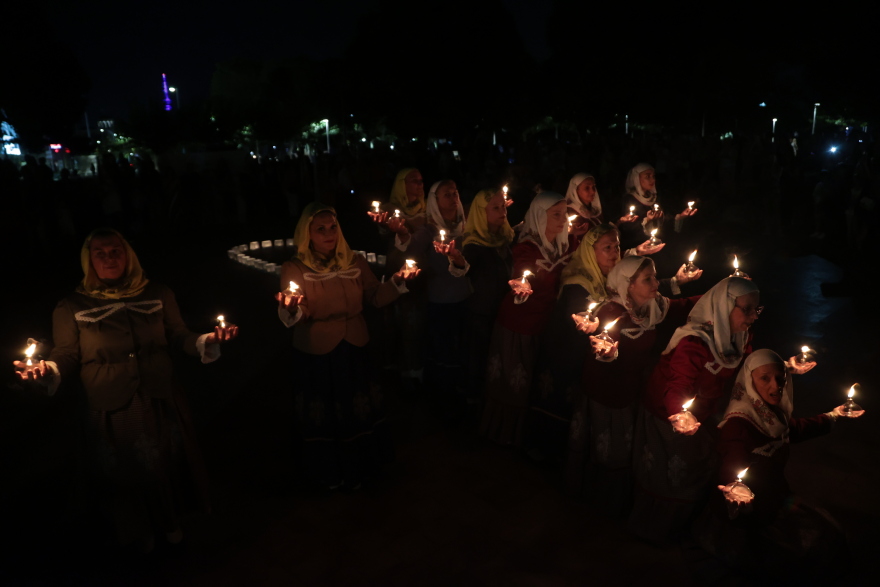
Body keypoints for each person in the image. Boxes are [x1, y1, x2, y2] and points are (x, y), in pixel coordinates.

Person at [14, 228, 239, 552]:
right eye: (100, 253)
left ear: (128, 254)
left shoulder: (158, 293)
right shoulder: (71, 306)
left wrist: (208, 340)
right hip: (112, 403)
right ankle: (139, 531)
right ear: (89, 260)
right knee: (126, 471)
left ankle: (171, 523)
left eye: (115, 251)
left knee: (165, 463)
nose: (109, 258)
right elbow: (67, 354)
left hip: (159, 395)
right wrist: (47, 369)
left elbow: (179, 335)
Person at [277, 203, 418, 491]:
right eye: (320, 229)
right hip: (318, 352)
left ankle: (362, 466)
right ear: (307, 233)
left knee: (357, 408)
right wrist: (292, 309)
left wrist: (397, 282)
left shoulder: (354, 261)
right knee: (325, 411)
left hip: (355, 346)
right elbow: (299, 313)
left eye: (333, 227)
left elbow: (375, 296)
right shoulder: (295, 268)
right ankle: (328, 471)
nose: (329, 233)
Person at [628, 276, 771, 543]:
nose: (754, 316)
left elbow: (744, 369)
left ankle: (677, 529)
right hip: (668, 416)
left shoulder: (740, 337)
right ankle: (650, 532)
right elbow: (677, 385)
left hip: (701, 416)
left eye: (757, 309)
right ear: (724, 306)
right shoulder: (695, 342)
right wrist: (680, 414)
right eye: (747, 309)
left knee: (692, 472)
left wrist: (776, 371)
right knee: (667, 475)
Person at [695, 349, 856, 577]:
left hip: (775, 494)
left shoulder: (771, 413)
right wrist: (735, 488)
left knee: (830, 535)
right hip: (749, 507)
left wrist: (834, 415)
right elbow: (731, 463)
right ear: (749, 381)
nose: (776, 386)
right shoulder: (738, 423)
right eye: (765, 378)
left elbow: (794, 430)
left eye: (780, 378)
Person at [564, 256, 700, 511]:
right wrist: (608, 355)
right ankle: (593, 501)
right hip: (605, 393)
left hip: (631, 390)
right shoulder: (610, 313)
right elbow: (602, 349)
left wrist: (718, 297)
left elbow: (683, 306)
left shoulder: (652, 306)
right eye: (647, 279)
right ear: (628, 285)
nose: (655, 283)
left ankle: (611, 500)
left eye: (654, 276)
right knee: (606, 449)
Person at [481, 191, 574, 446]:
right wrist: (521, 289)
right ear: (539, 216)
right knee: (513, 382)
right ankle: (503, 434)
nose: (563, 219)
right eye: (556, 214)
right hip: (518, 325)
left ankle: (525, 436)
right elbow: (521, 275)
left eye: (565, 214)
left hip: (543, 325)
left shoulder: (566, 245)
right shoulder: (526, 249)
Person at [405, 180, 471, 396]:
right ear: (435, 201)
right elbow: (411, 257)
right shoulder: (427, 232)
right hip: (440, 300)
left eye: (455, 193)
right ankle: (441, 394)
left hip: (464, 296)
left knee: (461, 347)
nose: (453, 198)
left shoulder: (466, 227)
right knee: (442, 348)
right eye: (447, 195)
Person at [461, 188, 516, 402]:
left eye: (503, 206)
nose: (502, 211)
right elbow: (464, 268)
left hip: (503, 311)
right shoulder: (473, 245)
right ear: (481, 212)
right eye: (495, 208)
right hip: (481, 314)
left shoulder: (504, 237)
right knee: (479, 359)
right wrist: (456, 260)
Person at [620, 163, 696, 245]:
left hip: (659, 241)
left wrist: (681, 216)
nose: (652, 180)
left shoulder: (654, 197)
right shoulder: (629, 199)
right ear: (636, 179)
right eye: (647, 176)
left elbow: (664, 219)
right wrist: (647, 220)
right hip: (640, 244)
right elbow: (628, 228)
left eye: (653, 176)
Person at [565, 172, 639, 240]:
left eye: (593, 187)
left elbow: (603, 233)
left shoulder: (594, 210)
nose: (593, 191)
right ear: (575, 190)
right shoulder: (569, 212)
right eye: (587, 188)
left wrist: (620, 221)